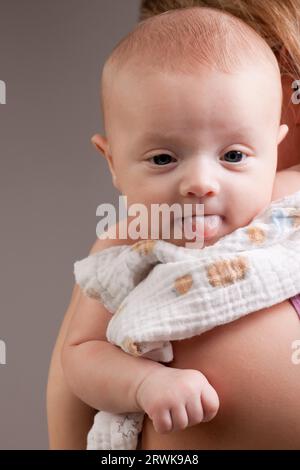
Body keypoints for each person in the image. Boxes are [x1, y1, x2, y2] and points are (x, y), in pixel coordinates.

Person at [47, 0, 300, 450]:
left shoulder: (286, 206)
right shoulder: (128, 244)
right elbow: (80, 356)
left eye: (234, 156)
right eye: (164, 158)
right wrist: (143, 383)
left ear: (274, 144)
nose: (201, 183)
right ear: (112, 162)